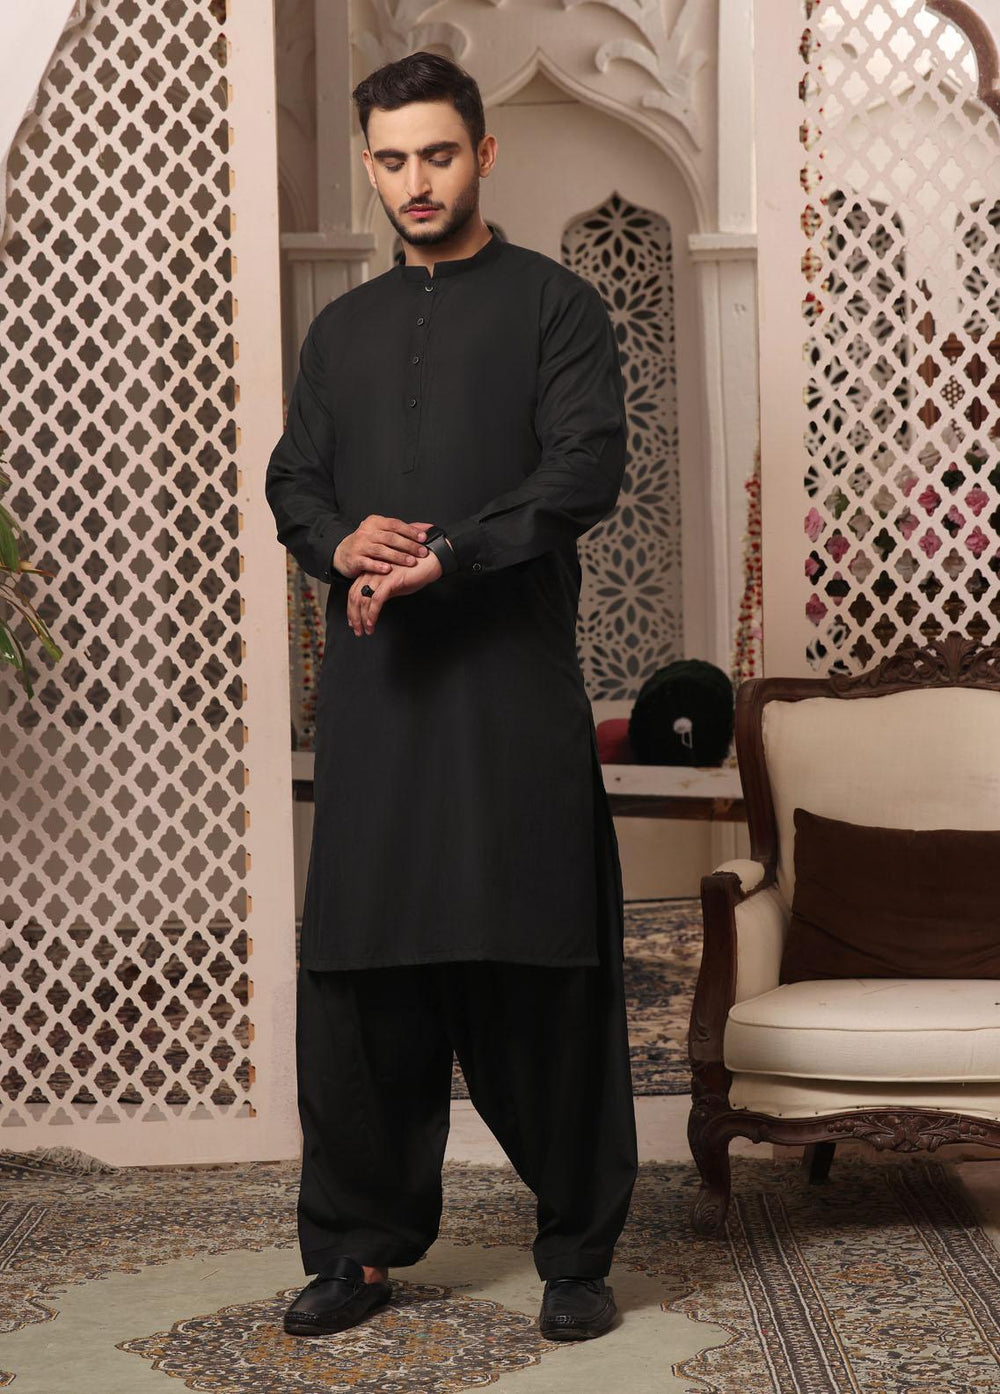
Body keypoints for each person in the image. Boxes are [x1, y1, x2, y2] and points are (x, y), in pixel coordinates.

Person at [264, 49, 638, 1344]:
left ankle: (576, 1250)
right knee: (363, 972)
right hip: (380, 702)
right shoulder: (342, 332)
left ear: (483, 154)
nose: (414, 181)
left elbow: (584, 467)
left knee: (541, 963)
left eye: (436, 154)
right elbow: (294, 480)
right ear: (369, 166)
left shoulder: (557, 308)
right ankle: (357, 1248)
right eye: (391, 160)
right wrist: (340, 540)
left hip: (509, 693)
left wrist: (452, 553)